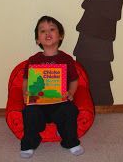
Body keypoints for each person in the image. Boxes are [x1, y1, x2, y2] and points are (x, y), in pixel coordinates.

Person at [20, 15, 84, 159]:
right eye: (42, 31)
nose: (47, 33)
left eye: (52, 29)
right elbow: (25, 80)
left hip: (59, 102)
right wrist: (25, 93)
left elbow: (74, 80)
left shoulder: (66, 59)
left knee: (70, 110)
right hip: (38, 104)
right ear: (38, 40)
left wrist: (71, 93)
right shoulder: (33, 60)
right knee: (28, 112)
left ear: (60, 36)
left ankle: (70, 140)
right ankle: (29, 143)